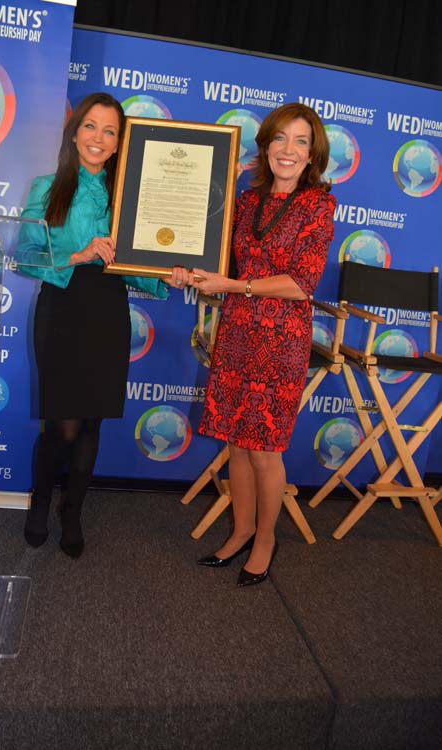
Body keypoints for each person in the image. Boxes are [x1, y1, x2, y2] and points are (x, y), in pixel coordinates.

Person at [18, 92, 184, 558]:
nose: (98, 138)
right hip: (62, 308)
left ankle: (73, 512)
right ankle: (42, 500)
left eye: (110, 131)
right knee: (61, 426)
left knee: (92, 421)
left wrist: (164, 273)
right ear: (75, 132)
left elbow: (136, 265)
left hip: (107, 312)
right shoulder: (45, 188)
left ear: (118, 143)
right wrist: (80, 253)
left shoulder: (131, 198)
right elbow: (27, 255)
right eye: (91, 126)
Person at [189, 102, 336, 586]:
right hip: (236, 333)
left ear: (312, 154)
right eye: (279, 139)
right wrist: (185, 271)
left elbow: (302, 282)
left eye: (300, 141)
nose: (288, 150)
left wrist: (233, 287)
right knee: (236, 442)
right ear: (265, 146)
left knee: (264, 450)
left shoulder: (319, 205)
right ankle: (241, 530)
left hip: (281, 341)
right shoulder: (247, 202)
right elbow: (216, 259)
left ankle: (267, 539)